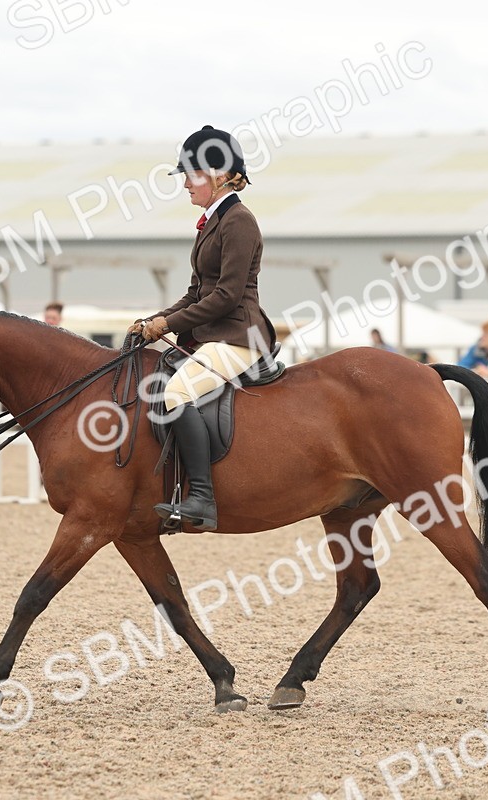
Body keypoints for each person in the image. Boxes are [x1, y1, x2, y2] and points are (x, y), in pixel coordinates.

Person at [130, 125, 277, 531]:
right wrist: (153, 321)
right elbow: (196, 293)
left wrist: (168, 323)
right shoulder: (211, 222)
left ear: (217, 175)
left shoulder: (239, 222)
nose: (185, 185)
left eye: (191, 176)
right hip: (215, 334)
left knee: (177, 393)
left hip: (238, 335)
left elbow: (227, 296)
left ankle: (202, 498)